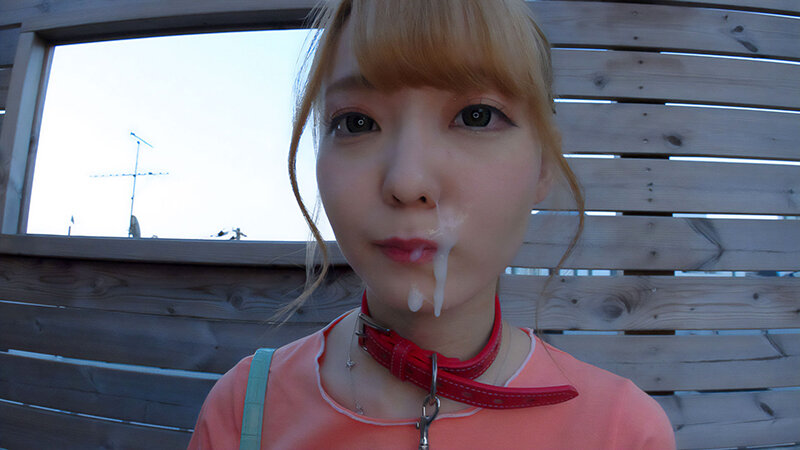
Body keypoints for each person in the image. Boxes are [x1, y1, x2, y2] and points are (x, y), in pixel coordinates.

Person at [189, 0, 676, 448]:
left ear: (545, 163)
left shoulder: (623, 432)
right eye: (356, 123)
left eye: (477, 116)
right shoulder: (244, 410)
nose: (407, 181)